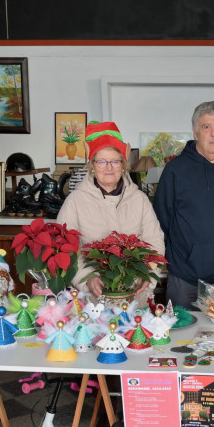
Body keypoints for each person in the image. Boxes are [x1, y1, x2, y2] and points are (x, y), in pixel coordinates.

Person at [153, 101, 214, 308]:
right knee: (182, 337)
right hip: (185, 277)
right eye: (207, 127)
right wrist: (190, 249)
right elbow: (162, 218)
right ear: (196, 132)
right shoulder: (175, 170)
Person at [57, 121, 164, 302]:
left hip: (135, 296)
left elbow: (154, 242)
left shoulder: (140, 200)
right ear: (92, 165)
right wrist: (87, 279)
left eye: (115, 161)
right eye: (101, 161)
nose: (109, 167)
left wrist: (147, 274)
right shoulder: (75, 201)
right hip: (92, 299)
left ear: (123, 165)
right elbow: (65, 250)